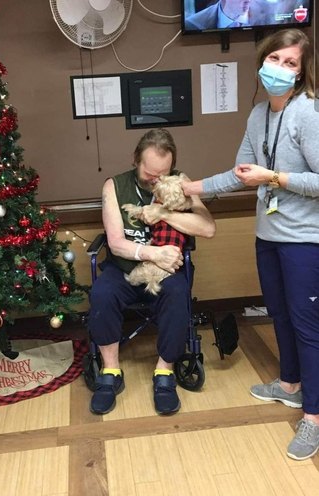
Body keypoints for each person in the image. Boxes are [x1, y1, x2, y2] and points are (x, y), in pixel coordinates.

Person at [182, 29, 319, 460]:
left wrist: (274, 178)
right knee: (277, 312)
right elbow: (240, 173)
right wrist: (189, 188)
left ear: (301, 73)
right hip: (269, 236)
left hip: (304, 241)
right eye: (274, 58)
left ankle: (313, 419)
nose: (279, 68)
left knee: (307, 326)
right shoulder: (258, 113)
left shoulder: (309, 113)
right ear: (262, 61)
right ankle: (291, 385)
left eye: (290, 63)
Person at [88, 128, 216, 416]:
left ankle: (164, 372)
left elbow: (207, 228)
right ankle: (110, 371)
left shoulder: (181, 181)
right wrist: (152, 253)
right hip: (124, 268)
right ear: (135, 160)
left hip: (165, 273)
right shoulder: (114, 186)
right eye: (150, 173)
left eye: (163, 173)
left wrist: (165, 214)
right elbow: (116, 244)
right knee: (102, 292)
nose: (157, 180)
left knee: (178, 291)